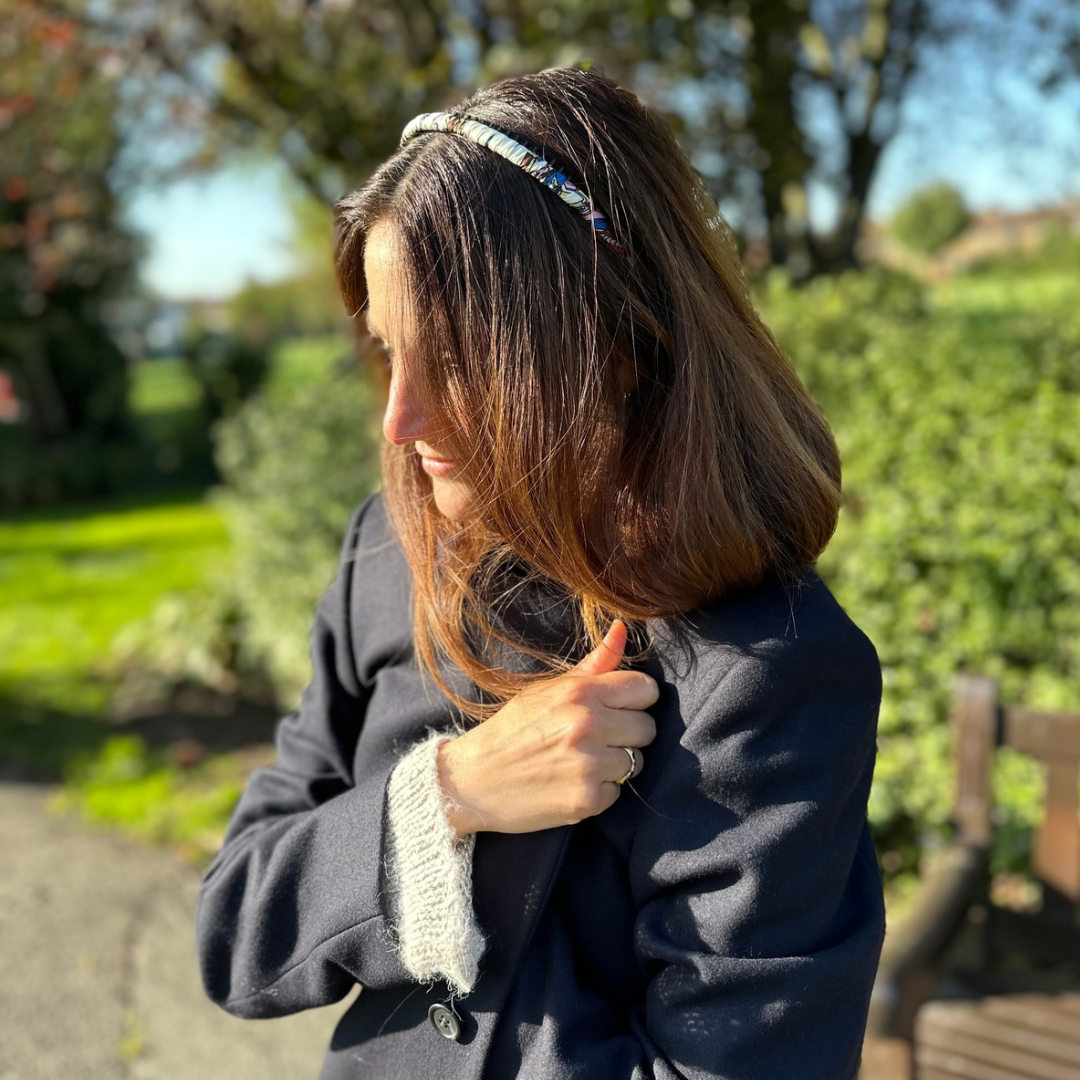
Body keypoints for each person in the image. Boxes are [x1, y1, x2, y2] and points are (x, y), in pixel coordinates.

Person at [194, 66, 886, 1080]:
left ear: (620, 346)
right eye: (390, 356)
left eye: (460, 360)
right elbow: (235, 933)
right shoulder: (385, 557)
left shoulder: (769, 671)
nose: (401, 423)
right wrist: (446, 801)